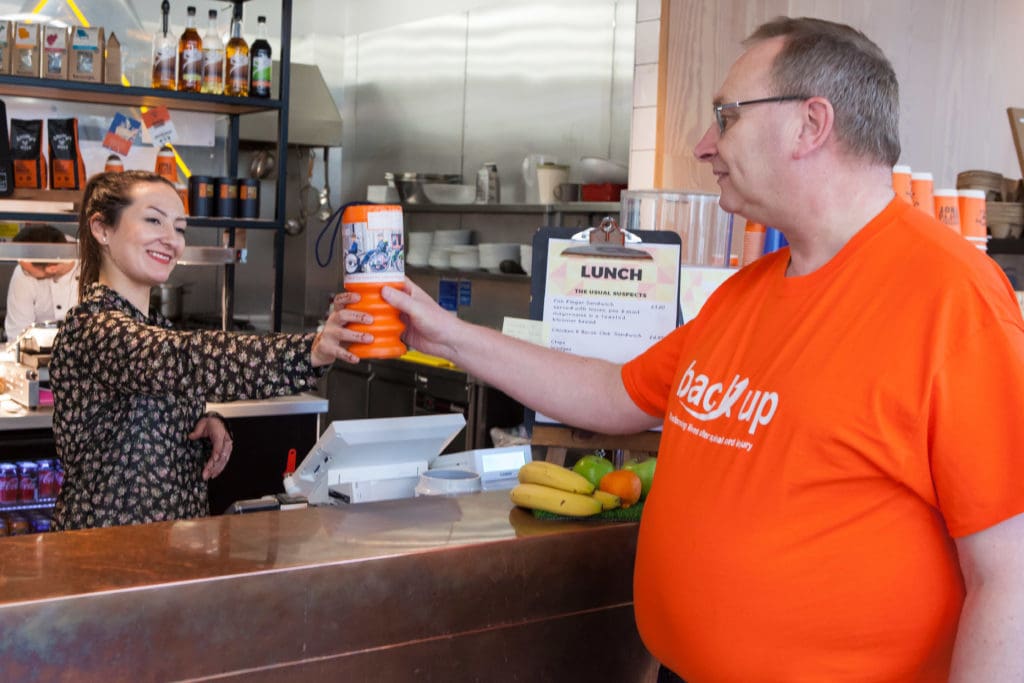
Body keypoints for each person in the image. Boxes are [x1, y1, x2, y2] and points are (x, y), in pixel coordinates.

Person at [375, 16, 1024, 682]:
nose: (703, 143)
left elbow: (1010, 579)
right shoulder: (745, 295)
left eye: (727, 116)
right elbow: (612, 393)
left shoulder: (950, 297)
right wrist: (446, 334)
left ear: (811, 124)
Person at [49, 171, 371, 531]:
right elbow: (186, 358)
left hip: (170, 549)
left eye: (180, 228)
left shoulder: (155, 327)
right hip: (108, 554)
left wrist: (208, 422)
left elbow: (152, 401)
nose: (171, 240)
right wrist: (307, 351)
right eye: (154, 220)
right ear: (102, 229)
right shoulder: (91, 327)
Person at [4, 223, 80, 342]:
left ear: (52, 268)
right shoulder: (21, 275)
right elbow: (17, 334)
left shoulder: (91, 266)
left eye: (27, 270)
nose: (24, 271)